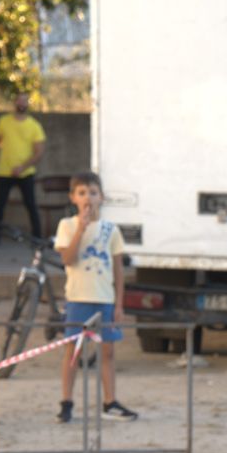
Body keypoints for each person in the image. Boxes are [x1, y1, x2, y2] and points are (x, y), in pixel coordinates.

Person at [53, 171, 137, 423]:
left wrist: (119, 304)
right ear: (73, 198)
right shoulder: (67, 226)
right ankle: (67, 402)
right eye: (81, 193)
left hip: (105, 299)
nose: (87, 198)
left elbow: (118, 269)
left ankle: (109, 401)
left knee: (107, 352)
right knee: (73, 352)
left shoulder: (112, 230)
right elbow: (67, 259)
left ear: (101, 197)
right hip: (78, 298)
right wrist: (81, 229)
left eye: (92, 192)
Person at [0, 91, 45, 246]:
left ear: (28, 103)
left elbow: (39, 152)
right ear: (15, 102)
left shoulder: (34, 126)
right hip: (4, 171)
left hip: (25, 173)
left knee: (31, 205)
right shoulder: (4, 121)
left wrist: (23, 167)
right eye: (19, 100)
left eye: (25, 101)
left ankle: (37, 239)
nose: (22, 103)